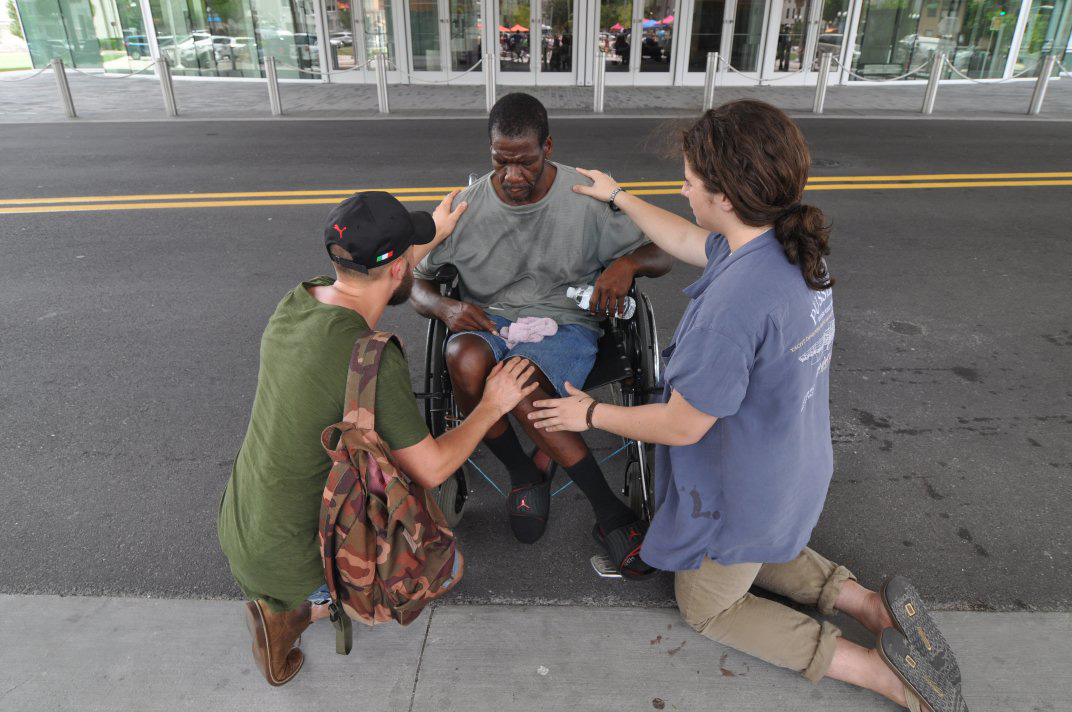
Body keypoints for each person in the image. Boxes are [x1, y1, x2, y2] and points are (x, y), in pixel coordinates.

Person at [529, 100, 966, 711]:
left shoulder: (733, 309)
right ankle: (870, 604)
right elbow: (686, 238)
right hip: (790, 464)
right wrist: (619, 197)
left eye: (690, 179)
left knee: (709, 605)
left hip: (742, 487)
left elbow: (682, 426)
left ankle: (882, 672)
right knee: (747, 550)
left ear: (727, 197)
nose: (682, 188)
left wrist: (589, 415)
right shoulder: (784, 246)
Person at [218, 190, 539, 687]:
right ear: (397, 271)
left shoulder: (298, 300)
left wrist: (429, 234)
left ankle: (289, 599)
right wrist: (491, 405)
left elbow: (386, 272)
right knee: (441, 558)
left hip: (240, 526)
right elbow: (431, 468)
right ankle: (303, 609)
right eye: (411, 258)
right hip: (290, 556)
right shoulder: (368, 356)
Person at [410, 92, 671, 573]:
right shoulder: (466, 208)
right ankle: (523, 472)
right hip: (491, 321)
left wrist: (627, 263)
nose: (512, 175)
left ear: (547, 147)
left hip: (567, 323)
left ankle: (608, 512)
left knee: (520, 378)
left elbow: (663, 250)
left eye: (525, 162)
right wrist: (445, 307)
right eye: (501, 161)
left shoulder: (584, 197)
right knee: (463, 358)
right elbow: (416, 280)